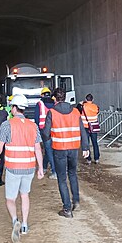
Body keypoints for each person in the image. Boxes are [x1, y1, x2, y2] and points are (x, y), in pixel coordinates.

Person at [0, 94, 44, 243]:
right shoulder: (33, 125)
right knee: (25, 195)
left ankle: (15, 219)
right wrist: (40, 167)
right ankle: (25, 225)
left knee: (10, 198)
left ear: (14, 108)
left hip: (13, 168)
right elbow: (38, 149)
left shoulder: (7, 125)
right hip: (29, 167)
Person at [42, 87, 89, 219]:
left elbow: (46, 133)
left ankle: (67, 209)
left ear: (55, 99)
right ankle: (76, 201)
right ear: (65, 98)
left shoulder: (52, 112)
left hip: (59, 149)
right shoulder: (75, 112)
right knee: (73, 174)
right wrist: (85, 147)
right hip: (74, 148)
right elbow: (82, 130)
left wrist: (46, 141)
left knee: (62, 178)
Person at [36, 87, 57, 179]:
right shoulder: (55, 103)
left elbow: (37, 118)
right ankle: (44, 167)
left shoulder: (40, 103)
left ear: (42, 95)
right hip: (54, 130)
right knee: (49, 149)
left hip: (44, 130)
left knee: (48, 150)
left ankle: (55, 171)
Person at [79, 94, 100, 164]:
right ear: (92, 100)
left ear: (85, 99)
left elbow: (77, 110)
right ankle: (97, 158)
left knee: (86, 143)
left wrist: (80, 104)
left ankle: (89, 159)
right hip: (93, 127)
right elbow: (97, 112)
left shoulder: (82, 106)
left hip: (85, 127)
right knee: (95, 143)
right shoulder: (96, 107)